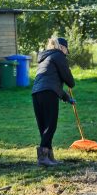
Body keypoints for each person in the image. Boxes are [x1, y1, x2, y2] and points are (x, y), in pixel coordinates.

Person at [31, 36, 76, 167]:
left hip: (36, 93)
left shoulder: (45, 58)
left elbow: (51, 83)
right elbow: (69, 81)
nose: (66, 54)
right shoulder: (59, 55)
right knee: (50, 125)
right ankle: (43, 158)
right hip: (48, 93)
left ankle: (49, 157)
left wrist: (67, 98)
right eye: (66, 50)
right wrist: (70, 79)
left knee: (44, 126)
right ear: (62, 47)